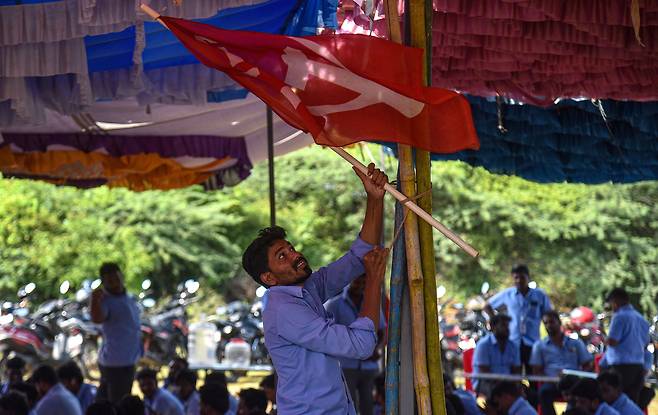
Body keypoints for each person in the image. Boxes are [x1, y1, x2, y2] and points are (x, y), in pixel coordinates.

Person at [241, 163, 389, 415]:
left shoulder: (306, 288)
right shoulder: (285, 310)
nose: (295, 255)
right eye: (282, 256)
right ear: (269, 278)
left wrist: (374, 199)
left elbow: (358, 257)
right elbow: (361, 345)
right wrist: (373, 280)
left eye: (290, 248)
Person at [324, 274, 387, 415]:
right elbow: (329, 335)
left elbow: (381, 329)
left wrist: (374, 349)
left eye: (365, 280)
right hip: (346, 366)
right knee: (348, 406)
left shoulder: (372, 304)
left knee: (368, 406)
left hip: (368, 366)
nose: (361, 283)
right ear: (350, 280)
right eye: (358, 279)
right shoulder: (335, 304)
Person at [484, 264, 552, 374]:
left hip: (533, 342)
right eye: (516, 278)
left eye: (522, 277)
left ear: (528, 278)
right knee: (514, 375)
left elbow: (549, 314)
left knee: (533, 376)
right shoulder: (508, 294)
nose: (519, 280)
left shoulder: (539, 295)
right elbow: (487, 306)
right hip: (513, 342)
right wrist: (496, 321)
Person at [90, 262, 141, 404]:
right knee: (117, 405)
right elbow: (97, 318)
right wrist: (94, 300)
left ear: (122, 277)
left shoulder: (129, 298)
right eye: (110, 281)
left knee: (105, 403)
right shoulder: (105, 301)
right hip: (116, 363)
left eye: (117, 279)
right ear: (104, 283)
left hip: (128, 360)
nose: (115, 284)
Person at [530, 310, 593, 415]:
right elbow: (536, 371)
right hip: (552, 382)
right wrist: (551, 380)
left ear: (559, 322)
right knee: (543, 392)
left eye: (551, 322)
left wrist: (579, 377)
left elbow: (588, 364)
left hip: (574, 382)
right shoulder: (539, 346)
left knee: (582, 391)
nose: (549, 325)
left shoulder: (575, 343)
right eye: (546, 323)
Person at [604, 288, 649, 404]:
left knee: (616, 403)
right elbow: (646, 344)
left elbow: (613, 341)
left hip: (620, 368)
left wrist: (603, 337)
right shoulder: (641, 319)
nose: (612, 307)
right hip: (638, 366)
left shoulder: (619, 317)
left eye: (611, 304)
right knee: (631, 404)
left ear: (615, 301)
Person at [473, 314, 521, 396]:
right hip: (486, 384)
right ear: (493, 327)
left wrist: (515, 385)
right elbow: (484, 372)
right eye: (503, 325)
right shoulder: (483, 345)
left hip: (507, 384)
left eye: (508, 326)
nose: (507, 329)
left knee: (528, 395)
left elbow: (516, 370)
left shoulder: (512, 346)